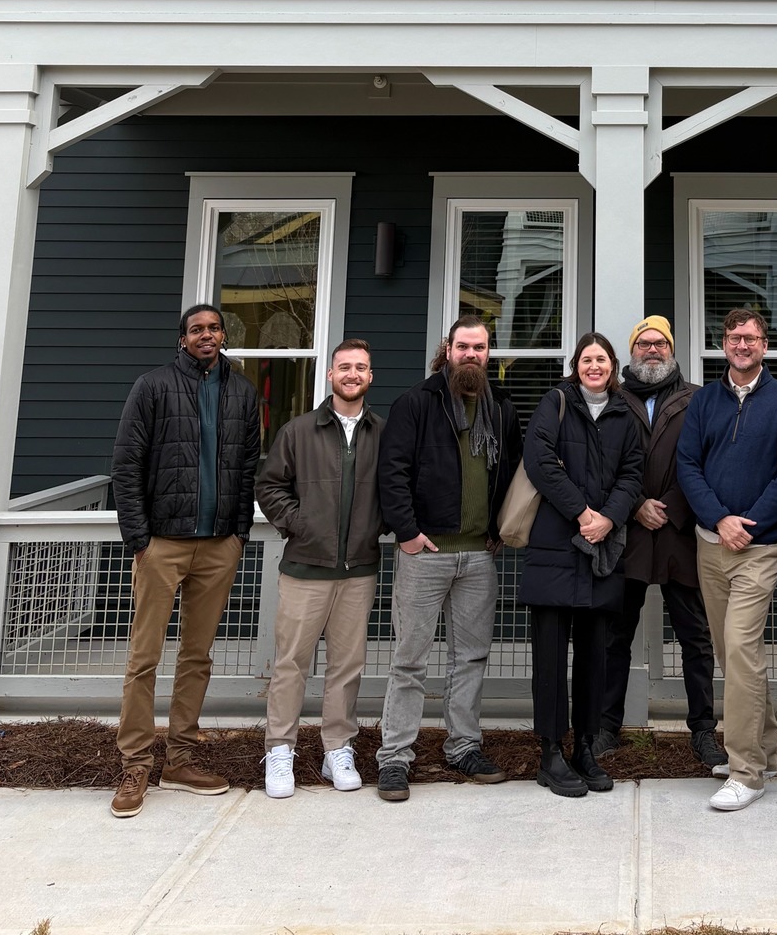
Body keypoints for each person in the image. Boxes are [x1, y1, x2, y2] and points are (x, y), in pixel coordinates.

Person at [109, 303, 260, 818]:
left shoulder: (242, 391)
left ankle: (181, 757)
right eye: (197, 329)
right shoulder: (152, 386)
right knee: (144, 657)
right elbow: (126, 464)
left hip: (218, 546)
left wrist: (239, 533)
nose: (207, 335)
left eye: (214, 328)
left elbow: (247, 465)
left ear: (223, 335)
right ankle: (134, 763)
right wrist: (139, 538)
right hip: (162, 544)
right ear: (182, 339)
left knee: (197, 656)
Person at [375, 318, 523, 801]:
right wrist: (409, 533)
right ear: (448, 350)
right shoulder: (417, 403)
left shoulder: (500, 409)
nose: (472, 354)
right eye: (464, 346)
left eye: (480, 347)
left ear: (488, 353)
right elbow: (391, 473)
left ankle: (463, 747)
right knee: (409, 660)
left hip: (479, 556)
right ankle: (395, 758)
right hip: (427, 553)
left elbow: (513, 474)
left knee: (471, 658)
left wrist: (500, 529)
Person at [676, 307, 777, 812]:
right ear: (723, 343)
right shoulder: (704, 399)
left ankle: (747, 771)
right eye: (734, 337)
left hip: (760, 546)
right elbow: (688, 463)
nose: (743, 345)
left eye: (751, 338)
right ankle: (767, 748)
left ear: (765, 345)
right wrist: (718, 519)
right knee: (735, 655)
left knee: (738, 646)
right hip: (710, 545)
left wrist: (745, 522)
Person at [593, 317, 724, 771]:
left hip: (680, 534)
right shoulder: (612, 399)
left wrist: (669, 507)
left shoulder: (698, 399)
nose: (652, 350)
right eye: (644, 343)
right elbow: (601, 464)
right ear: (632, 352)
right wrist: (632, 507)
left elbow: (706, 462)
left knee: (696, 638)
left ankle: (703, 731)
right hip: (626, 536)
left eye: (660, 343)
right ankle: (607, 727)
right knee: (615, 637)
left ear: (672, 349)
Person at [256, 339, 384, 798]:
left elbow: (396, 490)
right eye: (344, 367)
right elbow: (270, 486)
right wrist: (300, 524)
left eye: (361, 368)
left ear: (371, 377)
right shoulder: (299, 431)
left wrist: (375, 527)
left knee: (347, 665)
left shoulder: (382, 432)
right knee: (291, 663)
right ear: (330, 375)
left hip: (359, 569)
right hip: (306, 567)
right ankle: (279, 750)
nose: (352, 374)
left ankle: (337, 748)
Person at [521, 332, 644, 797]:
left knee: (596, 656)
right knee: (550, 660)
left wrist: (609, 518)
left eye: (603, 359)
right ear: (576, 365)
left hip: (601, 551)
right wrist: (582, 513)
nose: (596, 366)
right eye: (587, 359)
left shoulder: (623, 415)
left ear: (613, 366)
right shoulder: (555, 403)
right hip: (557, 546)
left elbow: (633, 472)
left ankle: (585, 747)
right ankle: (551, 752)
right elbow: (540, 462)